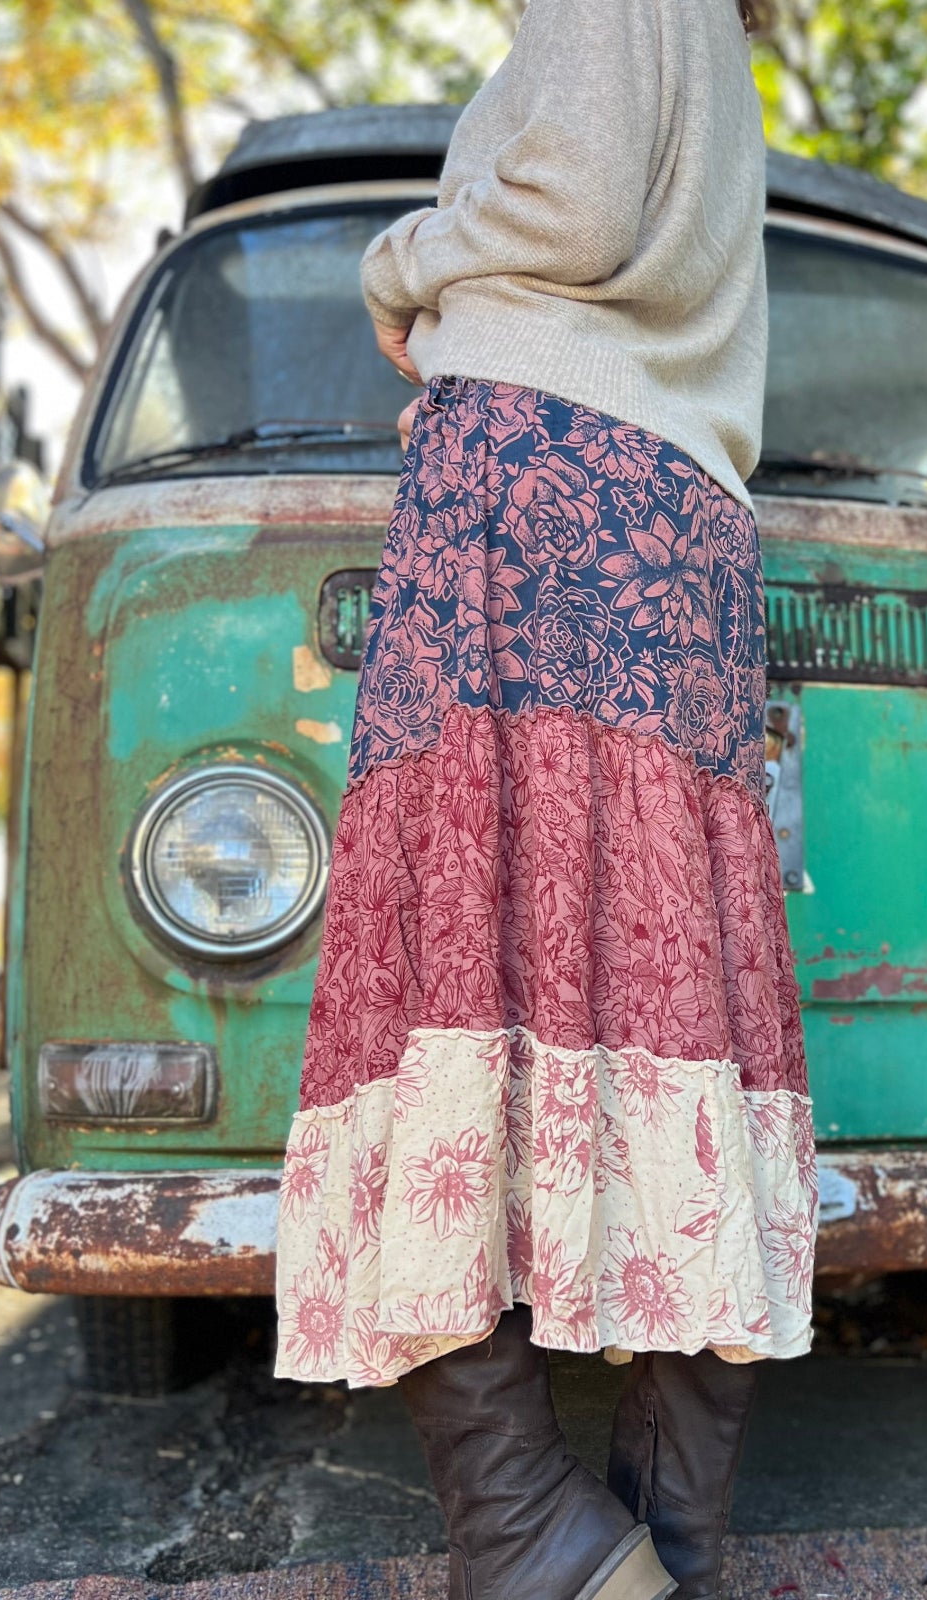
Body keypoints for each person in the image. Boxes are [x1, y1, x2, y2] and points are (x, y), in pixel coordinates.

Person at [272, 0, 815, 1595]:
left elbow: (564, 203)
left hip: (536, 483)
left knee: (439, 960)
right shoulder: (715, 42)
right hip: (682, 514)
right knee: (682, 980)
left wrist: (400, 266)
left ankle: (536, 1535)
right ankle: (669, 1534)